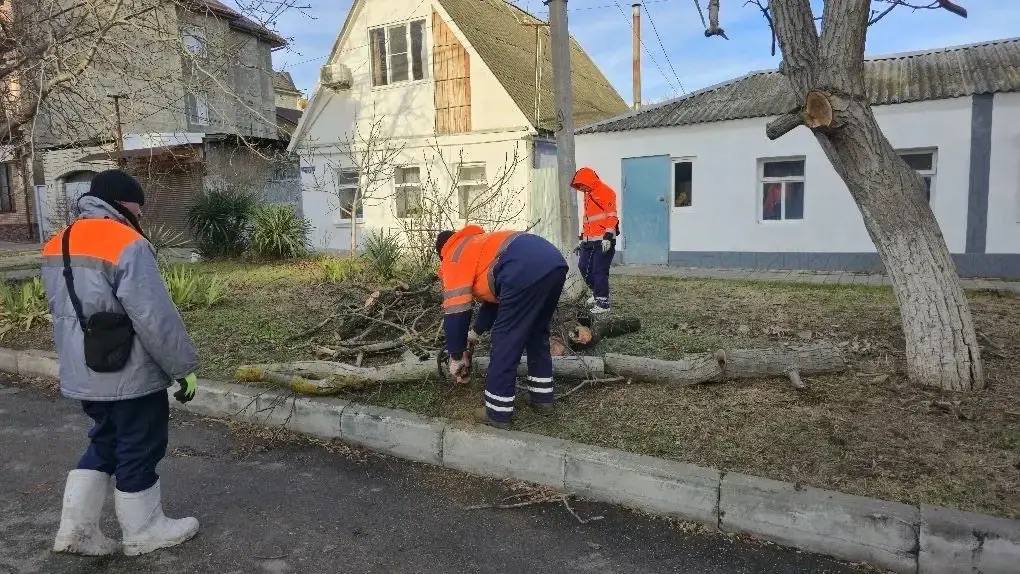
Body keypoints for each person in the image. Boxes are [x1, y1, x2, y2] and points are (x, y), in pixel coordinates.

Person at [42, 169, 201, 556]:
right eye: (139, 206)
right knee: (140, 443)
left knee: (106, 439)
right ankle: (144, 531)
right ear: (123, 203)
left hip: (85, 372)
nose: (142, 214)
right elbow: (154, 315)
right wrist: (183, 366)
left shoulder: (56, 243)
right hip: (129, 374)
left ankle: (75, 531)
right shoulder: (126, 242)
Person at [436, 225, 567, 428]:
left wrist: (455, 355)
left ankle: (497, 411)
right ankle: (542, 399)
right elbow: (496, 300)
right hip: (553, 261)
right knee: (537, 332)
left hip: (523, 268)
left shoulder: (453, 257)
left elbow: (456, 313)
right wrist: (475, 332)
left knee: (506, 338)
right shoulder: (478, 244)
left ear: (441, 254)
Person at [571, 167, 620, 314]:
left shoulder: (607, 192)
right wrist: (581, 240)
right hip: (589, 241)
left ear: (589, 181)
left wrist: (607, 237)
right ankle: (597, 292)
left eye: (582, 184)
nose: (582, 188)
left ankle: (603, 303)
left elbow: (612, 216)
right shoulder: (588, 194)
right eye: (579, 186)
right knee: (583, 266)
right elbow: (587, 221)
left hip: (604, 240)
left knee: (599, 271)